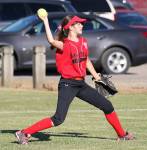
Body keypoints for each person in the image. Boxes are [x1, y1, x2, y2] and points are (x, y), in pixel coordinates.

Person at [15, 12, 134, 145]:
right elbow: (51, 41)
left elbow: (86, 60)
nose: (82, 25)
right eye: (78, 24)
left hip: (81, 84)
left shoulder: (83, 41)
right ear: (71, 27)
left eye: (82, 23)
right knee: (58, 119)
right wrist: (46, 21)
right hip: (67, 84)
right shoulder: (65, 44)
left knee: (107, 106)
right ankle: (23, 133)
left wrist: (96, 76)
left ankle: (122, 134)